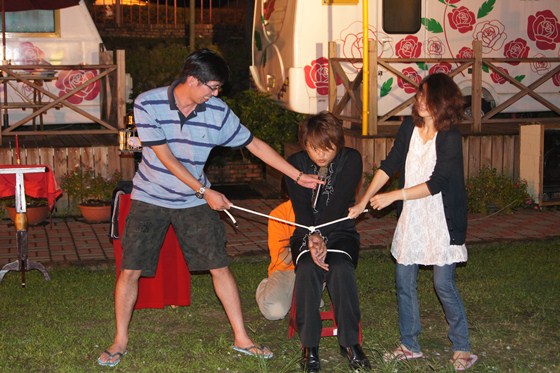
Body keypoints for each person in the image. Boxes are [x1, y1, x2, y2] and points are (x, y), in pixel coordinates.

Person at [97, 48, 321, 367]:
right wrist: (206, 190)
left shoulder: (217, 112)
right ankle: (120, 340)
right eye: (212, 87)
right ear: (192, 79)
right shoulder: (149, 103)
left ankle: (241, 338)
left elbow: (254, 144)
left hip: (193, 200)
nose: (215, 95)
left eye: (217, 89)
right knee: (130, 270)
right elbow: (166, 157)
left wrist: (297, 175)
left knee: (219, 265)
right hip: (152, 196)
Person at [348, 73, 477, 371]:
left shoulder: (450, 137)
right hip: (414, 216)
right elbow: (390, 164)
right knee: (404, 281)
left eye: (423, 95)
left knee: (443, 284)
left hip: (442, 218)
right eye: (418, 94)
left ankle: (462, 347)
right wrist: (364, 199)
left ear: (439, 102)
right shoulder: (409, 126)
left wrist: (393, 195)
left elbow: (438, 182)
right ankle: (409, 344)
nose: (417, 99)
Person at [285, 111, 370, 372]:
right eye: (313, 148)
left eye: (327, 147)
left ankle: (350, 343)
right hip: (304, 233)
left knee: (341, 268)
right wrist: (311, 238)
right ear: (304, 145)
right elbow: (301, 210)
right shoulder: (294, 164)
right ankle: (310, 346)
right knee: (309, 268)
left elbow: (337, 204)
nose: (320, 154)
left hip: (340, 231)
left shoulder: (351, 159)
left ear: (338, 143)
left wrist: (322, 237)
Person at [255, 200, 296, 320]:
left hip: (315, 266)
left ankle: (304, 295)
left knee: (306, 304)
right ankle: (266, 288)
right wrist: (300, 243)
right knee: (275, 311)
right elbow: (281, 261)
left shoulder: (325, 208)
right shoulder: (279, 215)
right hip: (287, 270)